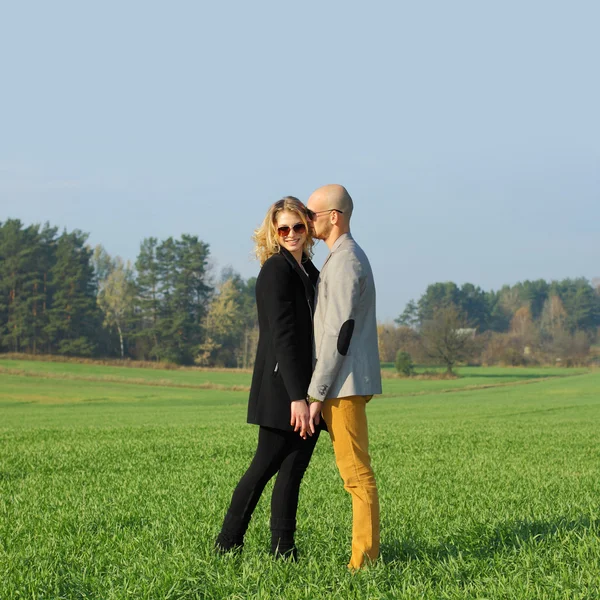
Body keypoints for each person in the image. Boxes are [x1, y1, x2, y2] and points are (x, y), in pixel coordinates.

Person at [215, 196, 320, 560]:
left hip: (306, 387)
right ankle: (227, 543)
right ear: (274, 233)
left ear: (308, 228)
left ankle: (283, 550)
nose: (291, 234)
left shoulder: (307, 268)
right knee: (264, 466)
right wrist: (298, 398)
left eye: (298, 227)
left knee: (293, 469)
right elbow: (283, 336)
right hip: (283, 390)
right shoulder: (276, 269)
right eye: (284, 228)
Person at [306, 184, 382, 570]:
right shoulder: (342, 258)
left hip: (343, 386)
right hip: (342, 383)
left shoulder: (346, 261)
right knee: (356, 473)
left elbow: (339, 333)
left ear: (333, 217)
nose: (307, 221)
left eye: (312, 214)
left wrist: (316, 393)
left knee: (356, 475)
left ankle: (364, 561)